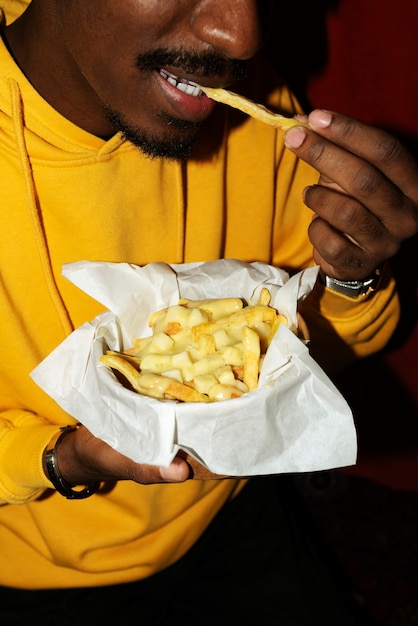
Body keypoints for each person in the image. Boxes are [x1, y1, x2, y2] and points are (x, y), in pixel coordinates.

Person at [0, 1, 417, 625]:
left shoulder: (244, 102)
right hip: (31, 567)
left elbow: (332, 348)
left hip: (228, 508)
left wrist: (353, 276)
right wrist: (59, 458)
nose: (241, 35)